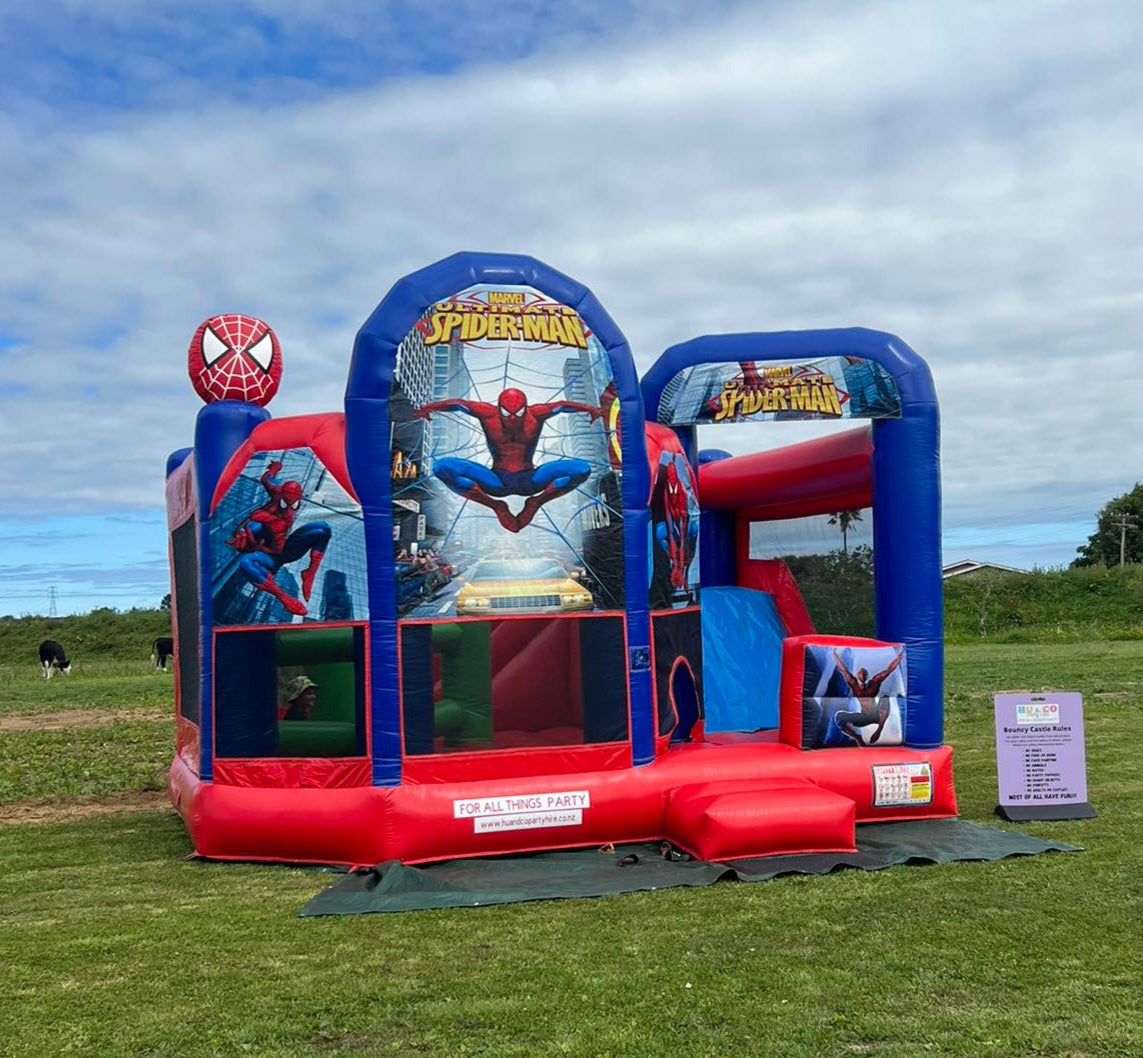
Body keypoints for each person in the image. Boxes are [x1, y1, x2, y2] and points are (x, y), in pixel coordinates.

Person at [414, 389, 601, 532]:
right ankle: (496, 506)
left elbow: (561, 405)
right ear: (499, 408)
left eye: (518, 414)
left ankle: (536, 503)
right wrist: (431, 407)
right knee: (442, 467)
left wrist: (589, 409)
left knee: (581, 469)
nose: (512, 418)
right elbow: (459, 404)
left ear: (526, 408)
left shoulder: (537, 414)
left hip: (530, 479)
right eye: (506, 413)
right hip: (496, 481)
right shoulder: (487, 413)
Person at [227, 460, 331, 617]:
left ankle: (309, 573)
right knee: (246, 562)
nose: (289, 510)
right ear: (280, 494)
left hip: (283, 548)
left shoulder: (282, 500)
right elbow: (265, 481)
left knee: (322, 528)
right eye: (285, 504)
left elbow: (266, 479)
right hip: (269, 555)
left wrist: (275, 469)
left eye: (294, 505)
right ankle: (283, 597)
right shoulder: (268, 515)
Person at [831, 647, 905, 747]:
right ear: (858, 676)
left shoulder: (874, 683)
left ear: (866, 676)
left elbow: (889, 669)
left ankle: (879, 728)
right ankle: (857, 738)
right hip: (864, 717)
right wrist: (835, 656)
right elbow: (843, 670)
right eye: (860, 675)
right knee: (839, 716)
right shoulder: (854, 684)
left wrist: (899, 657)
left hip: (877, 716)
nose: (862, 678)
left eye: (863, 675)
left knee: (885, 697)